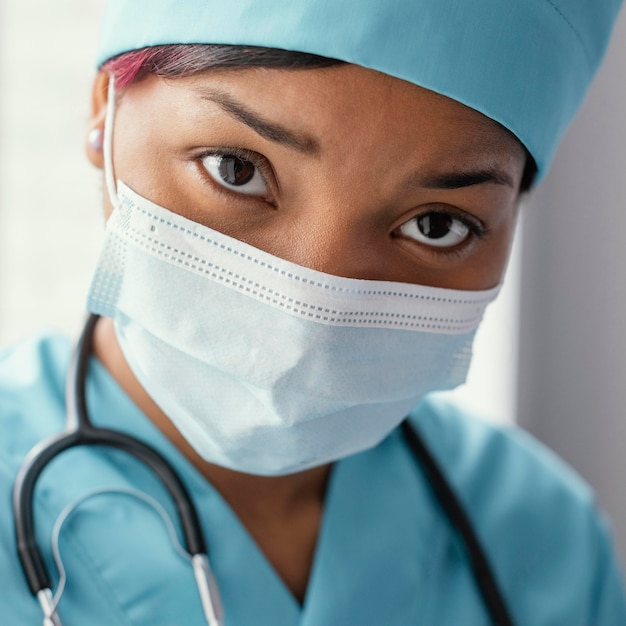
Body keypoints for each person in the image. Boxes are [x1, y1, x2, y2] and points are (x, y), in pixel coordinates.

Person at [1, 0, 625, 624]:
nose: (313, 310)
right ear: (102, 111)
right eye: (236, 169)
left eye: (436, 226)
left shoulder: (548, 544)